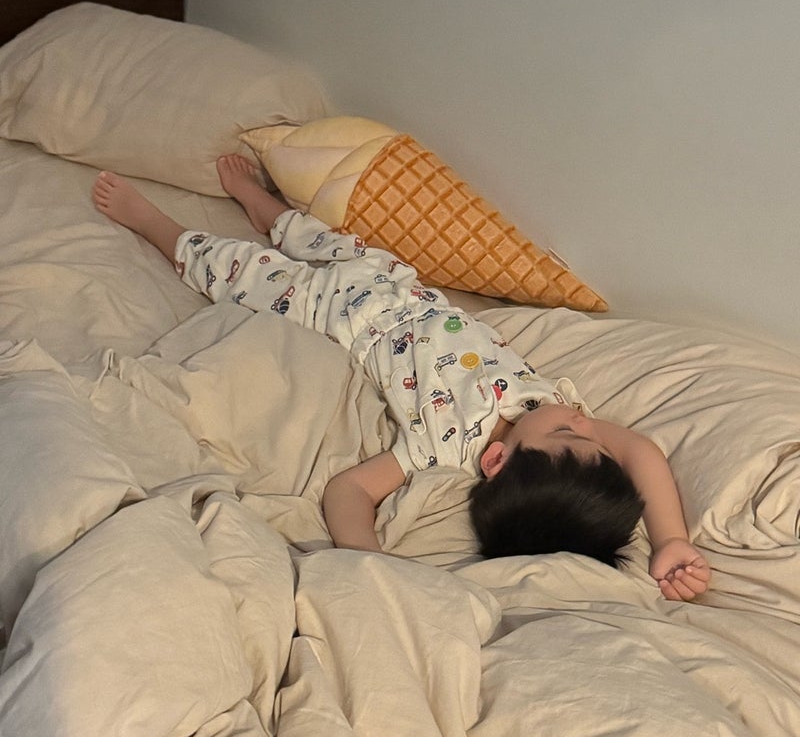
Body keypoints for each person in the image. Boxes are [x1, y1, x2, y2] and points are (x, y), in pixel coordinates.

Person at [92, 156, 710, 601]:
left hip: (336, 315)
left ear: (496, 462)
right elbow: (641, 452)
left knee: (240, 272)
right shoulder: (544, 410)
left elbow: (349, 491)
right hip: (397, 286)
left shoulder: (441, 448)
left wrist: (372, 564)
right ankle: (267, 209)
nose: (586, 421)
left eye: (573, 433)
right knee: (328, 241)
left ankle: (160, 227)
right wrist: (669, 540)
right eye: (593, 436)